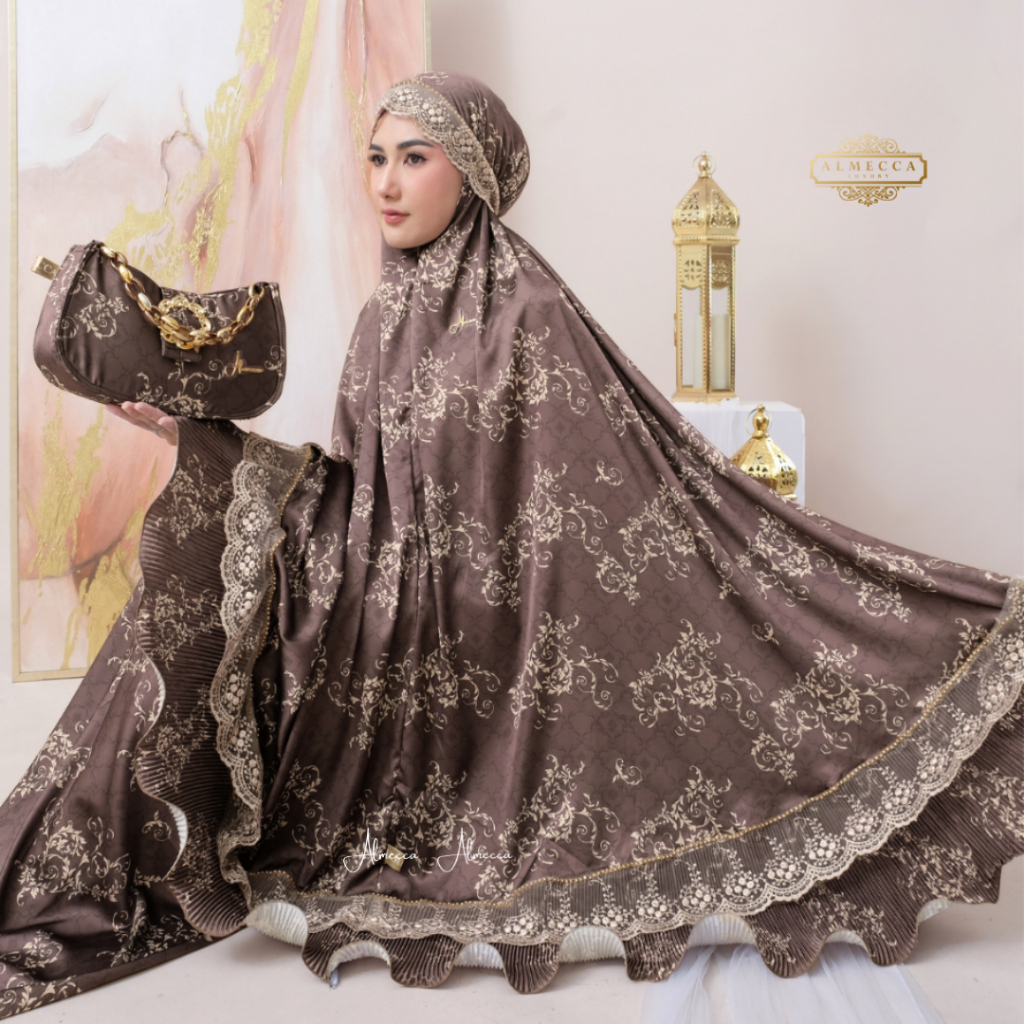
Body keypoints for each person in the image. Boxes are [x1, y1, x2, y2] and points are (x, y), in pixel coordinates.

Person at [1, 71, 1021, 1017]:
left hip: (496, 634)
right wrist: (200, 443)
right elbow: (363, 501)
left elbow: (589, 507)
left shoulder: (529, 312)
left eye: (414, 158)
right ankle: (72, 862)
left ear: (473, 172)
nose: (386, 183)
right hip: (396, 604)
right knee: (192, 580)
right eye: (376, 156)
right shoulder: (385, 313)